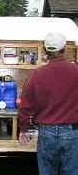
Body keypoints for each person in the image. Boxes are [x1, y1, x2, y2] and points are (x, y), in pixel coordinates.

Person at [17, 32, 78, 175]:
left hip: (46, 133)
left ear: (45, 51)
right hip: (72, 133)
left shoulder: (37, 74)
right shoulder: (76, 71)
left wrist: (23, 129)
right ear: (65, 49)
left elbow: (25, 106)